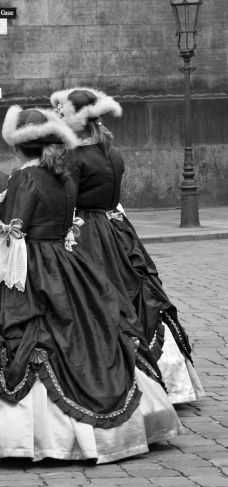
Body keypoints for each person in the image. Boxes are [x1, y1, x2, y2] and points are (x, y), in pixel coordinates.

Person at [0, 106, 180, 463]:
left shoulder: (25, 178)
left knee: (6, 330)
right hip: (67, 264)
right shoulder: (63, 174)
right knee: (91, 327)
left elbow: (13, 234)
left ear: (20, 147)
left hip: (27, 266)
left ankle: (18, 436)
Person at [51, 86, 203, 404]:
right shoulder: (111, 150)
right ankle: (166, 377)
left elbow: (66, 201)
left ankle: (116, 377)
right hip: (116, 228)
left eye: (61, 114)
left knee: (92, 298)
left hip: (87, 231)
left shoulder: (76, 157)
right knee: (134, 290)